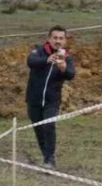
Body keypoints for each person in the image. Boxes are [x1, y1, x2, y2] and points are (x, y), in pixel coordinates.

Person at [26, 26, 75, 169]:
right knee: (38, 129)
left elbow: (71, 74)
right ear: (49, 39)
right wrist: (47, 60)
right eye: (55, 38)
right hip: (33, 99)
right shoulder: (38, 51)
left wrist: (63, 68)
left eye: (61, 38)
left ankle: (50, 160)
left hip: (52, 101)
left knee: (49, 125)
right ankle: (46, 156)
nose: (58, 41)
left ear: (65, 41)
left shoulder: (66, 57)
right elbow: (31, 61)